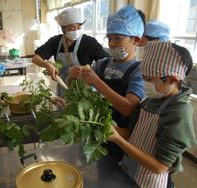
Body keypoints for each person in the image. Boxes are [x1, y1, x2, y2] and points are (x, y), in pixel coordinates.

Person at [107, 41, 196, 188]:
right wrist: (110, 128)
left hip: (149, 181)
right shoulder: (150, 101)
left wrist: (118, 140)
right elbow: (131, 135)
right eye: (143, 78)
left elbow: (160, 167)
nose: (144, 84)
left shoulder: (179, 113)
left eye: (149, 80)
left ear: (173, 79)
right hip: (129, 171)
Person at [69, 5, 145, 162]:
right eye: (109, 38)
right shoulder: (102, 64)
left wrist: (97, 82)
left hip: (121, 137)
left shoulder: (139, 71)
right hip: (99, 131)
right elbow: (83, 93)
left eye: (118, 38)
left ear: (136, 40)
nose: (111, 44)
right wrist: (73, 77)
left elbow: (128, 108)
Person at [32, 7, 108, 96]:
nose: (76, 31)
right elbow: (35, 58)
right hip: (63, 89)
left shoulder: (89, 42)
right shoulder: (55, 42)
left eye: (79, 27)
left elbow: (106, 63)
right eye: (72, 29)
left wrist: (85, 69)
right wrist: (47, 65)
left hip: (84, 92)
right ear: (63, 29)